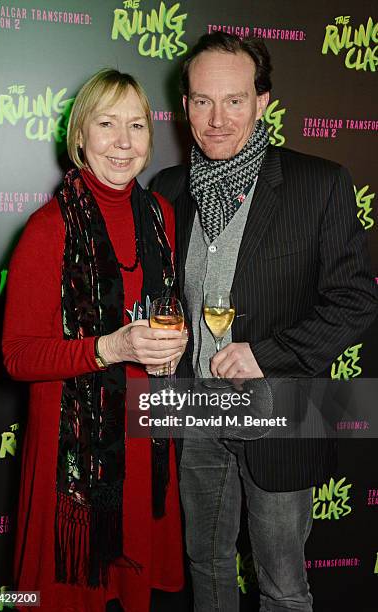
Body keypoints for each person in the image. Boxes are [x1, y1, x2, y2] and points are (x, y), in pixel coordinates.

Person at [151, 33, 377, 611]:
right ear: (185, 108)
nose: (217, 118)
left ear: (263, 102)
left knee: (281, 584)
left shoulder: (318, 183)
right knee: (206, 565)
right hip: (196, 412)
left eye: (233, 100)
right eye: (202, 101)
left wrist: (265, 352)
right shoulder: (168, 190)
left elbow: (355, 302)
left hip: (283, 413)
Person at [2, 68, 187, 612]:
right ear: (79, 136)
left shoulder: (161, 216)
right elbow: (16, 356)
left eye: (137, 125)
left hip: (144, 431)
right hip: (74, 455)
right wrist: (109, 348)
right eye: (107, 124)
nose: (124, 142)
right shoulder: (47, 228)